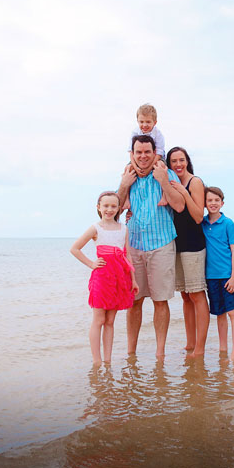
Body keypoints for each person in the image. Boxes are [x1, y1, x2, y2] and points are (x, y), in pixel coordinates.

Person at [117, 134, 186, 358]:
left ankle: (160, 354)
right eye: (139, 152)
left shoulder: (166, 172)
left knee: (160, 301)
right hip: (134, 245)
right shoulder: (127, 175)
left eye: (147, 152)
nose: (143, 156)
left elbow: (179, 206)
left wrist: (164, 181)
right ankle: (131, 353)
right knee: (134, 301)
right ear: (133, 153)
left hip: (162, 244)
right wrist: (123, 186)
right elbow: (113, 212)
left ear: (154, 152)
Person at [70, 191, 139, 364]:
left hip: (120, 276)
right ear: (98, 207)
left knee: (110, 320)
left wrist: (134, 279)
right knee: (99, 319)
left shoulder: (123, 229)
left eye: (113, 206)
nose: (109, 209)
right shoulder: (96, 228)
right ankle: (97, 360)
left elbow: (128, 255)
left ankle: (107, 360)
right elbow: (75, 248)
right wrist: (91, 264)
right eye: (106, 206)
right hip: (102, 276)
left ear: (118, 209)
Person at [166, 146, 210, 358]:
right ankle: (190, 343)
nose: (178, 164)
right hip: (177, 245)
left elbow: (198, 216)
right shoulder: (171, 183)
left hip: (194, 245)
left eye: (181, 160)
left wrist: (184, 192)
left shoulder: (195, 182)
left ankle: (200, 348)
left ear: (187, 161)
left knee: (197, 295)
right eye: (173, 161)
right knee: (185, 296)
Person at [202, 186, 234, 362]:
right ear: (205, 203)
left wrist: (233, 276)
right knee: (219, 314)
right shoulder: (202, 223)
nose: (213, 203)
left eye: (216, 200)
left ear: (222, 203)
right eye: (210, 200)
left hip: (228, 276)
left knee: (233, 312)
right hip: (211, 277)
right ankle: (222, 349)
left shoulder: (228, 223)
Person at [123, 104, 168, 208]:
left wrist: (149, 168)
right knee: (127, 168)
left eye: (148, 122)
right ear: (137, 121)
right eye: (141, 122)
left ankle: (165, 195)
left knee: (162, 167)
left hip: (157, 157)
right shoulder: (135, 132)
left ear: (154, 122)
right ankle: (126, 199)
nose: (144, 125)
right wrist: (135, 166)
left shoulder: (158, 134)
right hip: (138, 158)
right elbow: (131, 152)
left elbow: (159, 152)